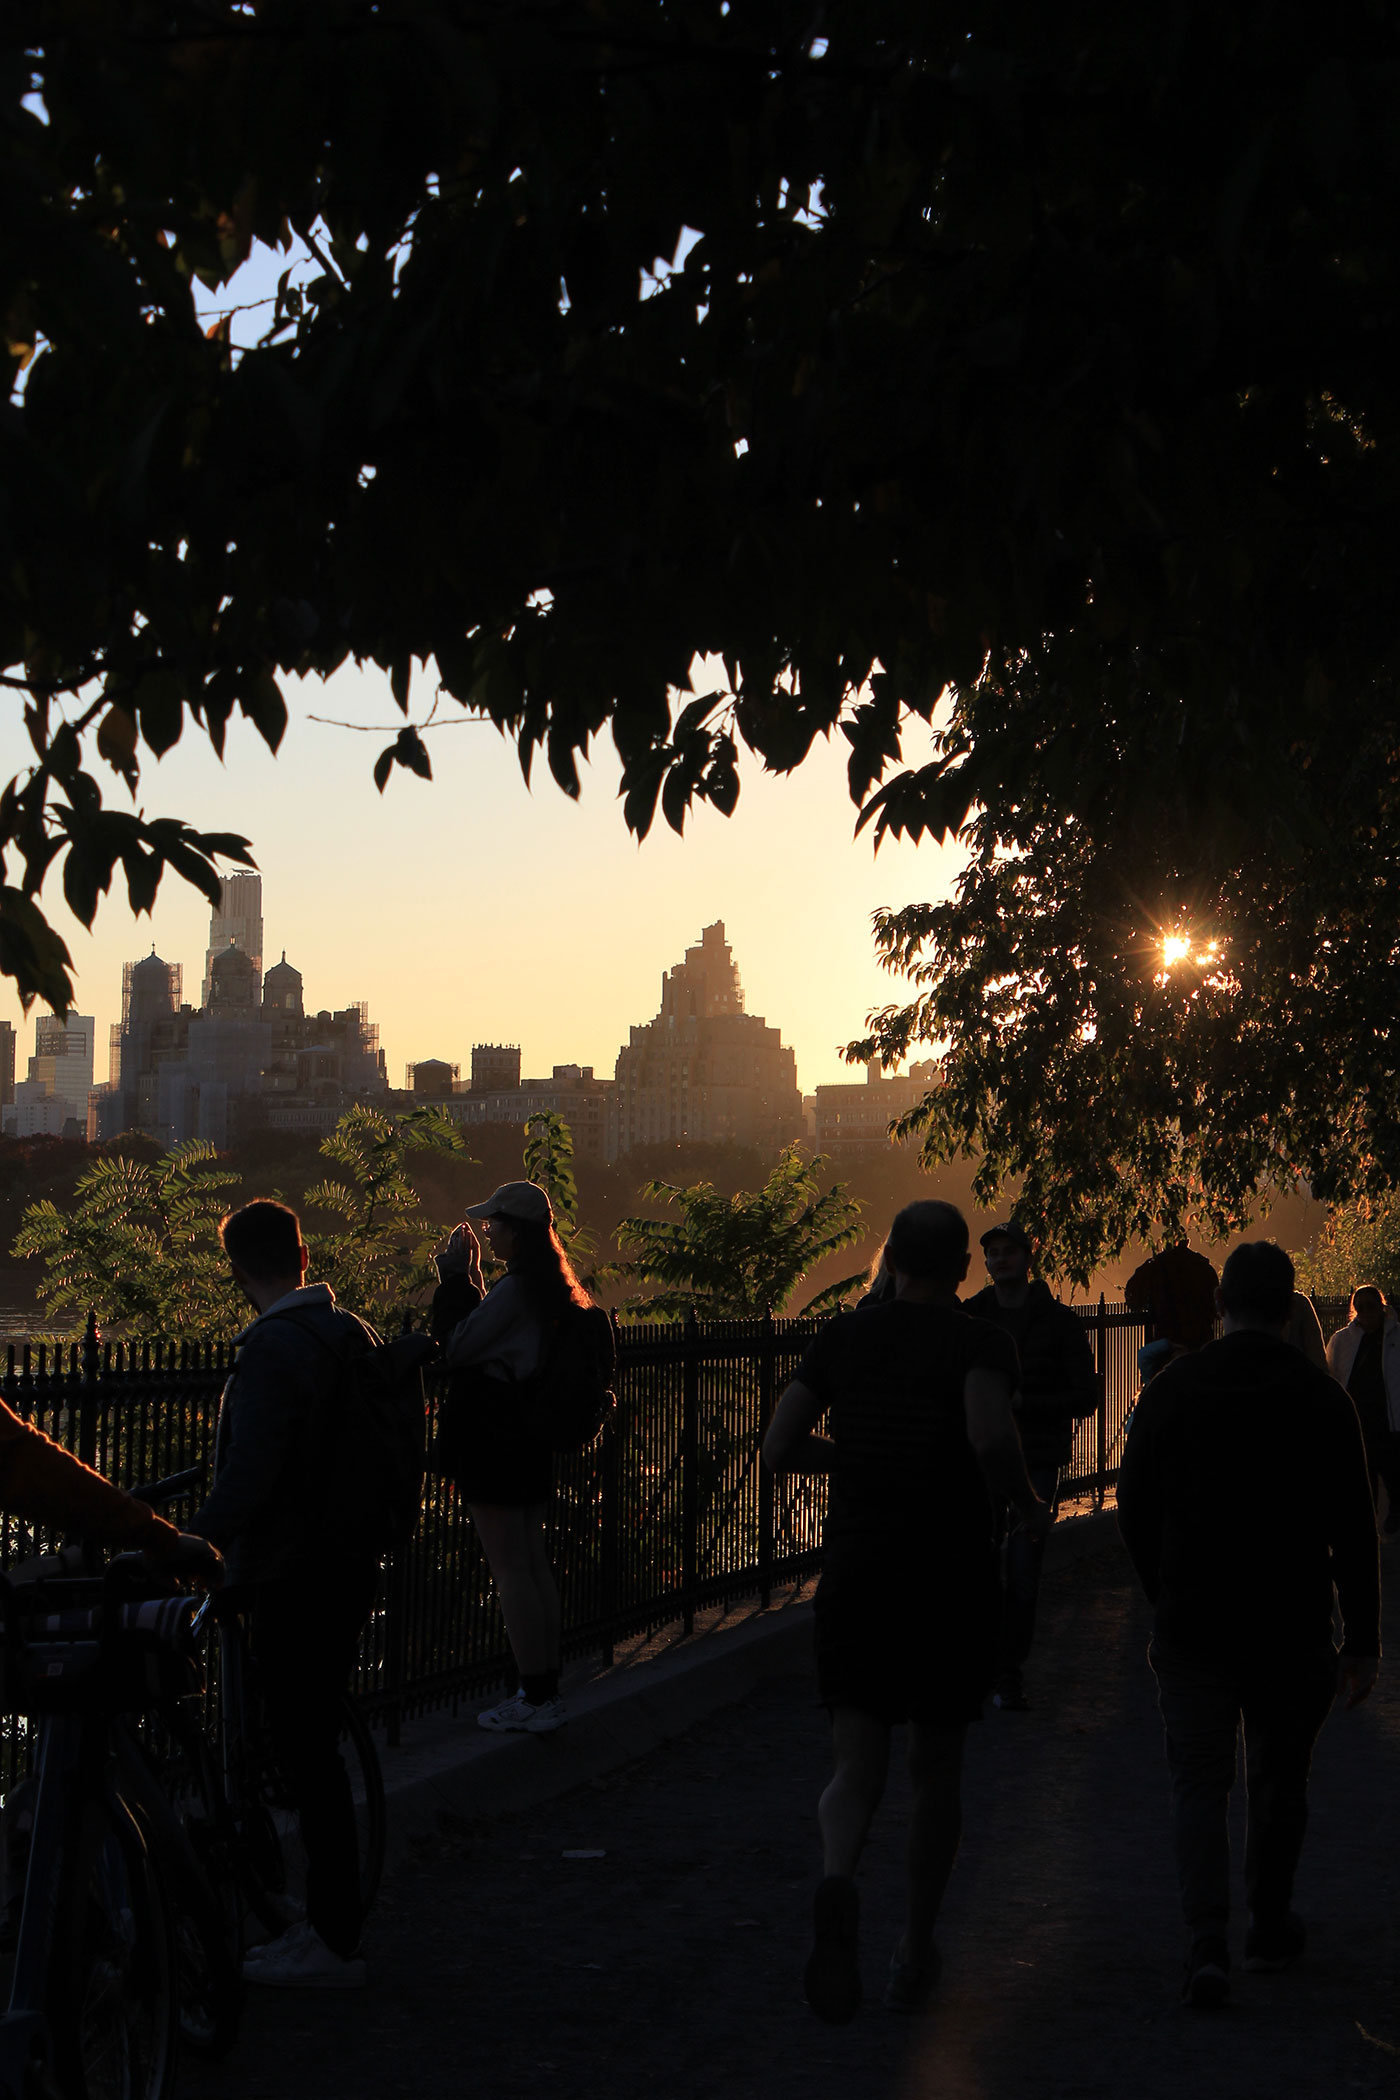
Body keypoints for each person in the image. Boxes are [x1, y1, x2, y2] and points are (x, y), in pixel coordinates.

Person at [762, 1200, 1048, 2023]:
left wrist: (855, 1457)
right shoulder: (979, 1342)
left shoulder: (841, 1338)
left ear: (891, 1260)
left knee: (855, 1765)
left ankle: (837, 1880)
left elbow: (779, 1447)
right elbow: (989, 1437)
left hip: (859, 1569)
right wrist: (1028, 1506)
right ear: (961, 1268)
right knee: (936, 1769)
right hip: (947, 1573)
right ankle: (915, 1949)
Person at [1117, 1241, 1378, 2009]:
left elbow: (1134, 1506)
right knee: (1279, 1777)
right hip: (1291, 1624)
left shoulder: (1173, 1388)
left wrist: (1163, 1591)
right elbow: (1354, 1529)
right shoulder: (1321, 1398)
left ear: (1221, 1304)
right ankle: (1267, 1925)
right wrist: (1362, 1640)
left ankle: (1206, 1943)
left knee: (1199, 1784)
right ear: (1289, 1305)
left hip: (1194, 1623)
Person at [192, 1200, 384, 1990]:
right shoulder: (350, 1333)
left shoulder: (274, 1347)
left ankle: (331, 1939)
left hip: (291, 1571)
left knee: (307, 1757)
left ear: (238, 1270)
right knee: (315, 1750)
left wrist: (194, 1542)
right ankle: (326, 1923)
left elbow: (252, 1471)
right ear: (304, 1256)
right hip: (348, 1560)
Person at [433, 1180, 590, 1735]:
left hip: (495, 1439)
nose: (487, 1230)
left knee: (510, 1570)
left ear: (517, 1232)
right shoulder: (549, 1287)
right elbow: (495, 1335)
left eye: (494, 1223)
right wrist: (477, 1284)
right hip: (527, 1439)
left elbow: (456, 1346)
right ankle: (546, 1688)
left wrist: (455, 1282)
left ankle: (534, 1694)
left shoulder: (518, 1289)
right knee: (531, 1563)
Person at [962, 1220, 1098, 1710]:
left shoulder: (1059, 1322)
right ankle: (981, 1666)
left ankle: (1008, 1673)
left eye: (1008, 1251)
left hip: (1036, 1457)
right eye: (992, 1253)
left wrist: (1025, 1404)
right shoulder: (971, 1315)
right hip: (979, 1456)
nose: (999, 1259)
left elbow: (1086, 1396)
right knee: (977, 1568)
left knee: (1022, 1570)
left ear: (1027, 1257)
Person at [1324, 1285, 1400, 1533]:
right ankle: (1369, 1525)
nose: (1366, 1312)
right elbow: (1333, 1375)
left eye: (1371, 1306)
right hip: (1358, 1416)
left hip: (1389, 1416)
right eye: (1361, 1307)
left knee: (1391, 1470)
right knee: (1365, 1474)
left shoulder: (1396, 1338)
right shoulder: (1342, 1341)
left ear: (1381, 1306)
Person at [1124, 1240, 1219, 1386]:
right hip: (1198, 1343)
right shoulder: (1203, 1268)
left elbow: (1133, 1299)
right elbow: (1214, 1309)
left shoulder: (1157, 1267)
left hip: (1167, 1344)